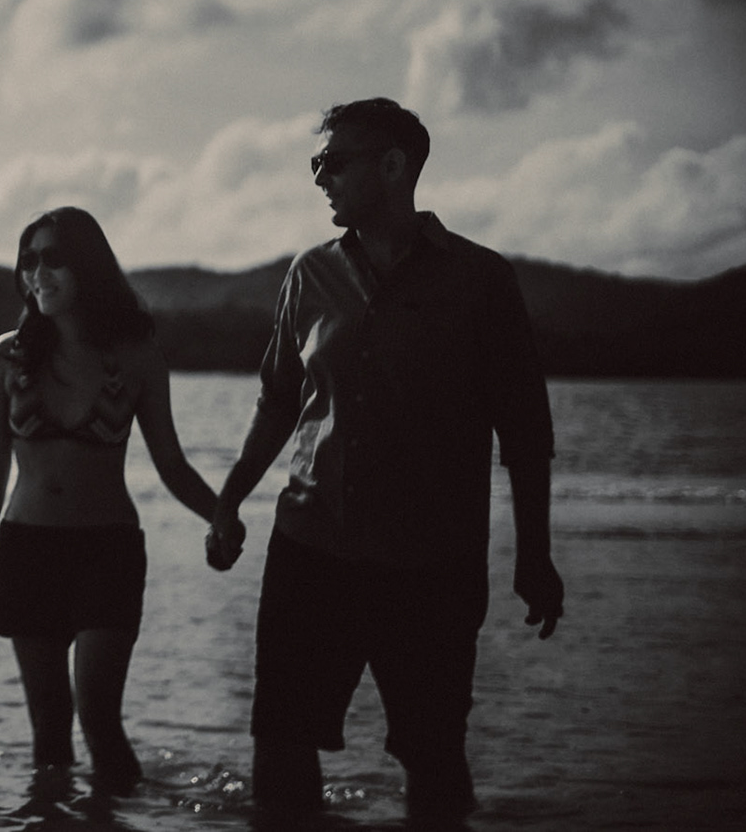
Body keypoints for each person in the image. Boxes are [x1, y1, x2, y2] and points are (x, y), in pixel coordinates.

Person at [203, 97, 564, 826]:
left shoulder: (480, 280)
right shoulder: (309, 276)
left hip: (432, 562)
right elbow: (279, 402)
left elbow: (523, 429)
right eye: (317, 163)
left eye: (334, 162)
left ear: (394, 165)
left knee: (432, 756)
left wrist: (536, 554)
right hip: (312, 546)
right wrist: (229, 496)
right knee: (279, 747)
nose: (319, 178)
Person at [0, 205, 221, 794]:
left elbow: (171, 463)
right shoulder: (10, 355)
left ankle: (120, 816)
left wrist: (221, 514)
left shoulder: (136, 355)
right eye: (28, 261)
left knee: (100, 720)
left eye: (53, 258)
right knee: (50, 736)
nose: (38, 273)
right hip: (25, 548)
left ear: (87, 265)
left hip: (107, 551)